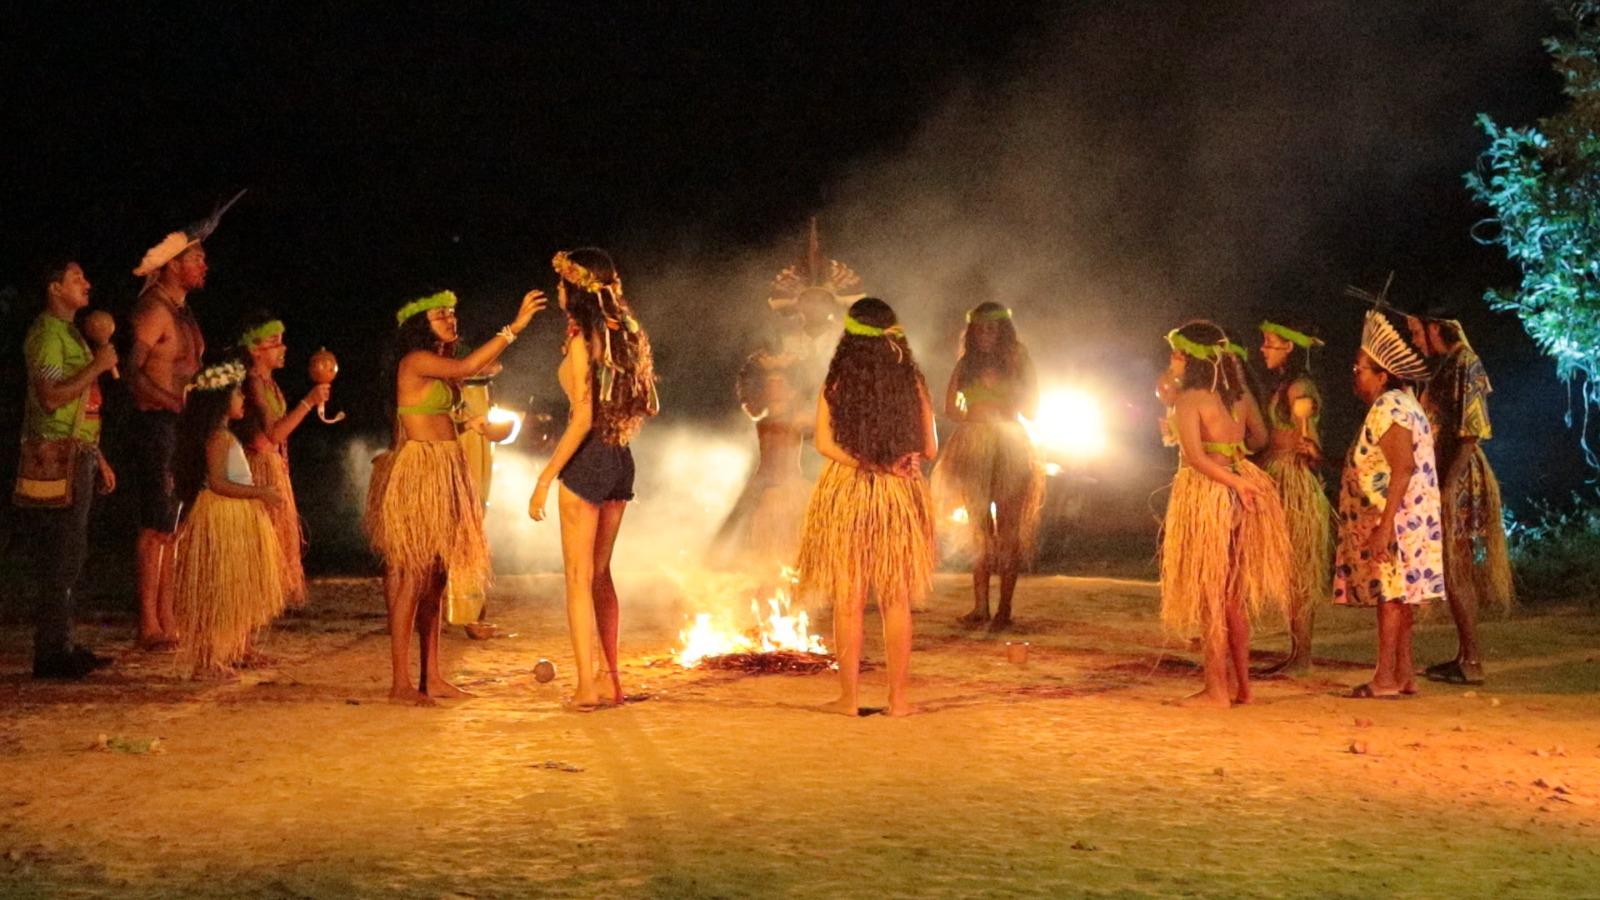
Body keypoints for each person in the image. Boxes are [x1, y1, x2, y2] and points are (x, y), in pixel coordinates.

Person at [368, 287, 544, 706]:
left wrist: (474, 427)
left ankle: (432, 676)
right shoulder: (416, 361)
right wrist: (515, 328)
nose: (450, 320)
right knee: (412, 575)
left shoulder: (439, 368)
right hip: (422, 471)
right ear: (419, 326)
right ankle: (399, 683)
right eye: (440, 316)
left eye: (452, 313)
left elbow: (457, 393)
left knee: (438, 578)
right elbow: (469, 364)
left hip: (447, 469)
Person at [529, 249, 659, 710]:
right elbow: (647, 404)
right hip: (620, 456)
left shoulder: (587, 340)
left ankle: (586, 687)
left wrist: (546, 476)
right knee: (600, 573)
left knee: (578, 577)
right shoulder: (625, 337)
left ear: (577, 292)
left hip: (588, 459)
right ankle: (610, 680)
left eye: (562, 285)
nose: (558, 291)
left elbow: (582, 417)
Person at [795, 298, 937, 717]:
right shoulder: (912, 381)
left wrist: (868, 463)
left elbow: (823, 444)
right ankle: (898, 700)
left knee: (849, 599)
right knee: (895, 598)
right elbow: (929, 447)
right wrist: (902, 460)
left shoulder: (838, 381)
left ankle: (849, 698)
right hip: (898, 494)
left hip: (848, 492)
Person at [1159, 321, 1291, 708]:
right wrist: (1237, 467)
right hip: (1240, 490)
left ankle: (1216, 689)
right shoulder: (1240, 397)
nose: (1173, 362)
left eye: (1177, 355)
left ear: (1192, 358)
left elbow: (1196, 458)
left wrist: (1231, 483)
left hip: (1211, 496)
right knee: (1233, 596)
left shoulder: (1190, 400)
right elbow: (1261, 440)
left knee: (1210, 597)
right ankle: (1243, 688)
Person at [128, 197, 241, 650]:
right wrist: (175, 403)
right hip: (157, 423)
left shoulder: (182, 312)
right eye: (196, 257)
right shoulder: (153, 309)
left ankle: (168, 617)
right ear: (172, 265)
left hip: (181, 425)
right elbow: (133, 373)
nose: (204, 264)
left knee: (174, 524)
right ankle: (149, 622)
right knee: (157, 523)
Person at [1334, 310, 1445, 698]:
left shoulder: (1390, 407)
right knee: (1399, 596)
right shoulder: (1405, 404)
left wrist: (1383, 528)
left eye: (1361, 368)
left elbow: (1401, 468)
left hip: (1395, 521)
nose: (1354, 373)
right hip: (1405, 519)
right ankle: (1403, 673)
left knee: (1390, 597)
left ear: (1383, 375)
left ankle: (1385, 678)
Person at [16, 260, 118, 678]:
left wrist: (99, 456)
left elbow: (82, 404)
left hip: (79, 450)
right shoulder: (46, 335)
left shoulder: (69, 333)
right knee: (62, 554)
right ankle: (52, 653)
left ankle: (63, 644)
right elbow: (52, 396)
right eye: (77, 278)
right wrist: (96, 365)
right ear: (55, 288)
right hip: (57, 452)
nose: (87, 283)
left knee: (71, 554)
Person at [1408, 310, 1512, 686]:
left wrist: (1448, 486)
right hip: (1445, 471)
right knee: (1453, 567)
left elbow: (1472, 433)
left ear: (1435, 327)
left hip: (1460, 475)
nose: (1416, 341)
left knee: (1458, 566)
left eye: (1417, 332)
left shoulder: (1466, 362)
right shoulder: (1447, 365)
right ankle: (1465, 656)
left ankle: (1472, 661)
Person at [169, 360, 286, 677]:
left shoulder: (222, 435)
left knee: (223, 589)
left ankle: (218, 656)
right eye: (237, 394)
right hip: (221, 516)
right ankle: (205, 662)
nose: (243, 399)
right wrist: (260, 492)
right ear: (220, 399)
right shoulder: (218, 439)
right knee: (215, 589)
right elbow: (218, 482)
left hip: (231, 517)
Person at [932, 302, 1043, 630]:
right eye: (979, 329)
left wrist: (1005, 397)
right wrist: (975, 418)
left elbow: (1034, 408)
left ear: (1004, 331)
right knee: (979, 531)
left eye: (992, 329)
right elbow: (950, 408)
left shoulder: (1019, 359)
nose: (985, 335)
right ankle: (980, 607)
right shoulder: (966, 362)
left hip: (1010, 446)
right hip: (975, 446)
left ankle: (1004, 609)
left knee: (1008, 531)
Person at [235, 314, 331, 609]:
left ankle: (252, 635)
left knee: (269, 555)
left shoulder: (269, 383)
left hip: (274, 467)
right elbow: (273, 433)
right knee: (255, 553)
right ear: (255, 350)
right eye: (275, 343)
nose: (283, 348)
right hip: (257, 471)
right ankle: (243, 638)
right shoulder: (253, 383)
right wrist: (308, 402)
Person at [1256, 320, 1334, 674]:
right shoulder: (1286, 384)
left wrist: (1309, 447)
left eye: (1270, 343)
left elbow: (1309, 439)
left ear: (1289, 347)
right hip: (1276, 477)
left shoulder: (1300, 387)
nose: (1263, 349)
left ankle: (1302, 656)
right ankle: (1296, 652)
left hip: (1293, 482)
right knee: (1288, 572)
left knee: (1299, 570)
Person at [708, 355, 813, 583]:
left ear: (792, 390)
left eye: (781, 384)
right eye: (771, 384)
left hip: (792, 490)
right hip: (768, 491)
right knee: (767, 555)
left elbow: (819, 430)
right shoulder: (764, 421)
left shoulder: (797, 419)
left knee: (793, 552)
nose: (776, 388)